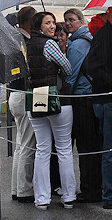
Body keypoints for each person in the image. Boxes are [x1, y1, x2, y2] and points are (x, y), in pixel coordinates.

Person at [25, 12, 77, 209]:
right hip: (57, 97)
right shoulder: (50, 44)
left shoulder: (28, 44)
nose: (52, 26)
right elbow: (68, 68)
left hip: (36, 96)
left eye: (53, 23)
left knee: (42, 148)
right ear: (39, 26)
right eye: (48, 23)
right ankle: (69, 195)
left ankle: (42, 198)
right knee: (63, 148)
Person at [83, 6, 112, 209]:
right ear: (109, 14)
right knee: (111, 148)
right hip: (107, 99)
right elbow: (93, 66)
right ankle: (111, 195)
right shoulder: (104, 35)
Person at [62, 8, 102, 202]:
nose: (68, 23)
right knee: (91, 144)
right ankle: (93, 187)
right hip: (90, 97)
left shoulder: (78, 45)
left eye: (72, 20)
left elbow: (71, 74)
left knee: (86, 146)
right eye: (66, 20)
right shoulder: (86, 40)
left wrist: (64, 98)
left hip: (82, 98)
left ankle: (89, 189)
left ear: (80, 21)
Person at [7, 7, 37, 202]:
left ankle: (17, 188)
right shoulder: (22, 41)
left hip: (14, 94)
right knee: (27, 144)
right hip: (22, 93)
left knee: (20, 143)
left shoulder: (12, 38)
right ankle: (25, 189)